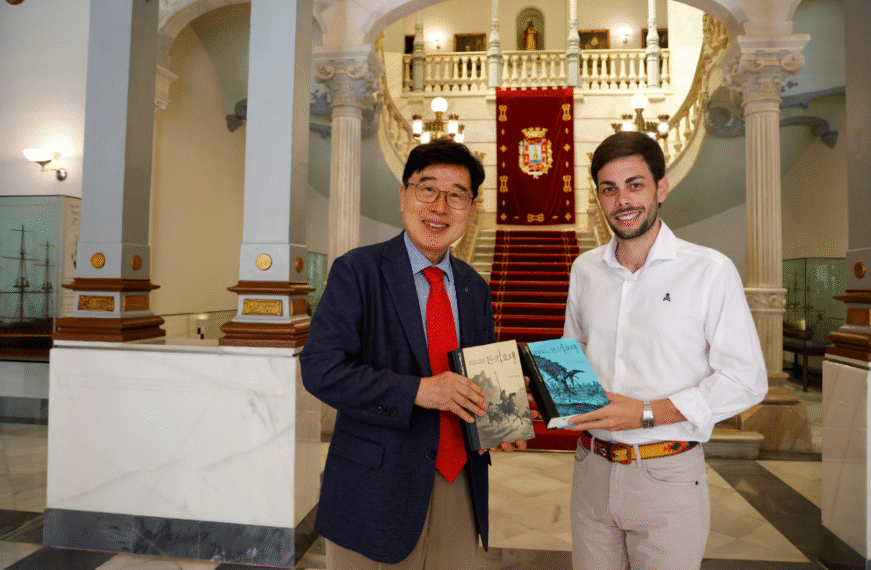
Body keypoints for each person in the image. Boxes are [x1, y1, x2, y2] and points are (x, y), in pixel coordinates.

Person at [300, 139, 528, 570]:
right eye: (428, 189)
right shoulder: (357, 271)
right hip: (374, 490)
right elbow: (321, 368)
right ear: (404, 195)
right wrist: (421, 391)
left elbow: (480, 377)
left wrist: (501, 418)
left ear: (471, 209)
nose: (440, 206)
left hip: (459, 483)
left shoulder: (473, 288)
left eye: (456, 195)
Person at [562, 131, 767, 570]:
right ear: (598, 196)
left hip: (667, 475)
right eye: (609, 189)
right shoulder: (585, 269)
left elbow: (745, 380)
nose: (622, 200)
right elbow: (574, 354)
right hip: (591, 469)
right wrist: (546, 390)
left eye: (635, 184)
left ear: (662, 188)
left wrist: (648, 412)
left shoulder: (709, 270)